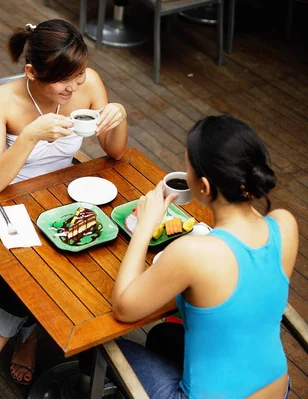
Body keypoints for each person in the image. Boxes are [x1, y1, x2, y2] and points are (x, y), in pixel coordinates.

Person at [0, 19, 128, 399]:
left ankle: (30, 337)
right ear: (32, 72)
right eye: (62, 79)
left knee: (99, 244)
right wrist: (31, 134)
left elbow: (114, 151)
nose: (73, 87)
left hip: (59, 193)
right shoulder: (0, 101)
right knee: (25, 271)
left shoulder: (89, 84)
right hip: (1, 198)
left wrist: (118, 116)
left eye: (79, 74)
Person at [112, 115, 298, 399]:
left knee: (105, 350)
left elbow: (124, 307)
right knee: (162, 337)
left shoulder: (192, 253)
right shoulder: (285, 224)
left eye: (187, 168)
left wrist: (145, 226)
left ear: (205, 187)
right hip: (277, 388)